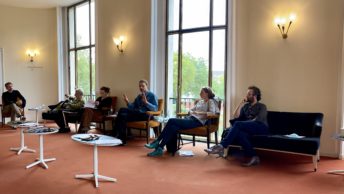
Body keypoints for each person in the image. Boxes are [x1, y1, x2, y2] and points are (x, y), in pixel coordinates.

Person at [204, 86, 269, 167]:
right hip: (249, 128)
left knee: (238, 124)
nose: (246, 96)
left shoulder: (262, 106)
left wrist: (243, 124)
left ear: (255, 96)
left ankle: (222, 146)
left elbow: (258, 119)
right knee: (240, 134)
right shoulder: (246, 106)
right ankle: (254, 157)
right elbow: (236, 115)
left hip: (260, 127)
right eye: (247, 94)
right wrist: (241, 103)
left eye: (249, 94)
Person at [145, 87, 219, 157]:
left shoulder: (211, 101)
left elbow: (212, 113)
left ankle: (157, 141)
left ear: (207, 93)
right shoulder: (200, 101)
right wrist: (193, 112)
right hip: (190, 118)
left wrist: (199, 113)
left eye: (202, 92)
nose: (200, 93)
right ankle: (160, 148)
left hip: (197, 121)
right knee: (173, 127)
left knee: (171, 120)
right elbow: (190, 110)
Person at [113, 79, 158, 145]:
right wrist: (127, 102)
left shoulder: (152, 95)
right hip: (137, 114)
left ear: (147, 86)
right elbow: (132, 107)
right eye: (140, 86)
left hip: (146, 115)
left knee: (122, 112)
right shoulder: (139, 97)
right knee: (122, 113)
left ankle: (115, 134)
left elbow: (155, 109)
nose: (141, 88)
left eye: (143, 86)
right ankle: (121, 140)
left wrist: (146, 103)